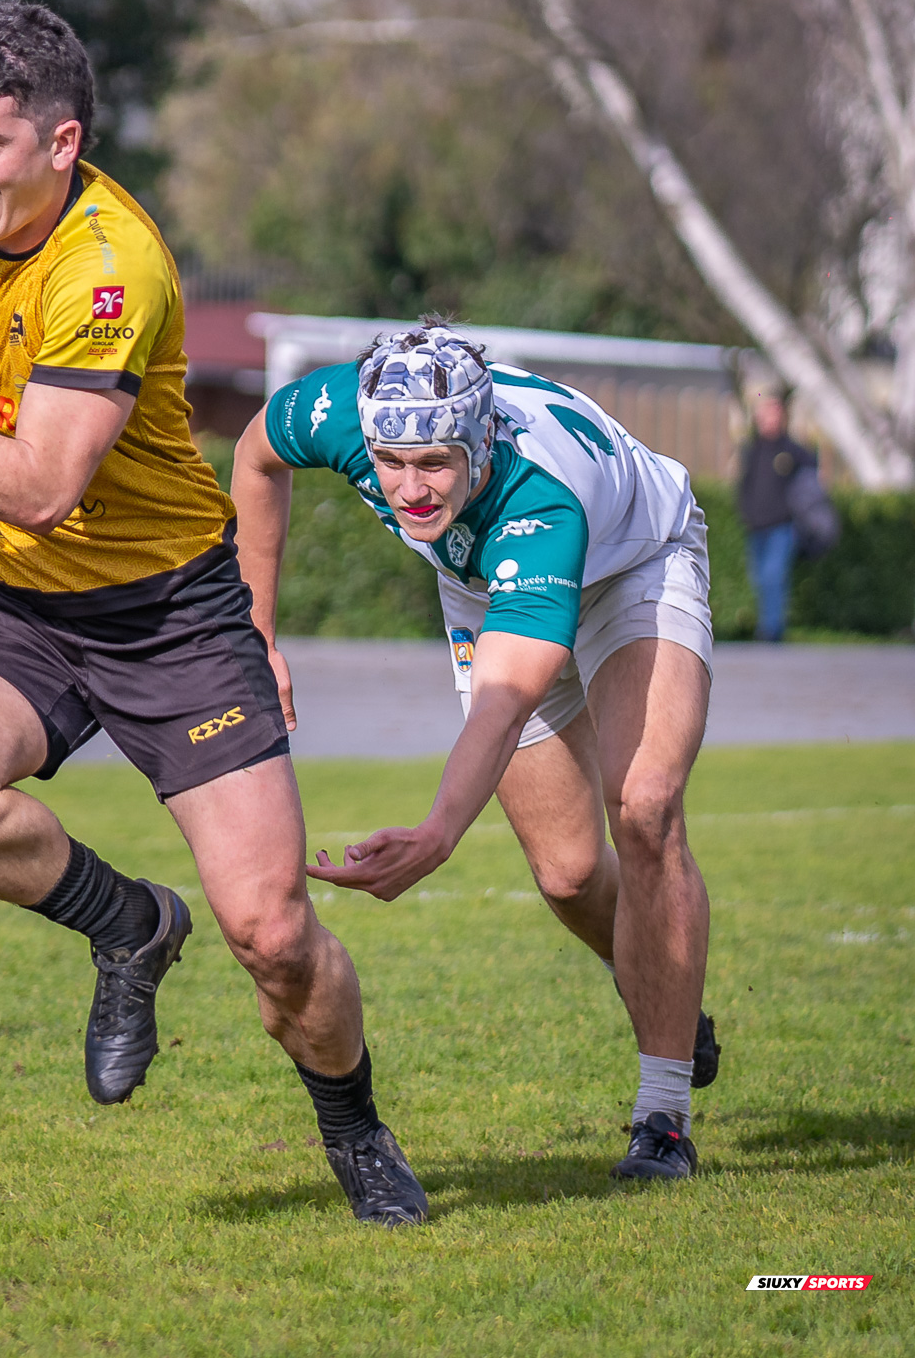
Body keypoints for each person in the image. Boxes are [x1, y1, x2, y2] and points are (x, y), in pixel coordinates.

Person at [0, 0, 427, 1229]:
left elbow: (41, 486)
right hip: (22, 605)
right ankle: (129, 927)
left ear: (63, 141)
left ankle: (352, 1127)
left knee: (276, 935)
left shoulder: (110, 266)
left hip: (172, 615)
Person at [232, 320, 721, 1183]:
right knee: (569, 873)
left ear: (480, 442)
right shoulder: (347, 412)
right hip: (481, 582)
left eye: (437, 466)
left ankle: (664, 1119)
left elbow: (504, 703)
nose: (411, 491)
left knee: (644, 807)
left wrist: (435, 838)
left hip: (635, 565)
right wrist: (258, 633)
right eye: (393, 464)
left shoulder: (539, 499)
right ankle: (659, 975)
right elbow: (254, 456)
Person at [737, 391, 818, 643]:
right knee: (760, 578)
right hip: (756, 525)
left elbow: (811, 476)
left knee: (774, 575)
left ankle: (771, 631)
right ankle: (768, 625)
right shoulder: (752, 450)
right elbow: (744, 485)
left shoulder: (791, 450)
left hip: (781, 526)